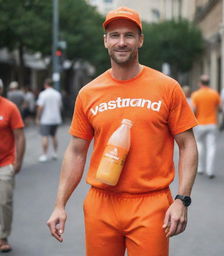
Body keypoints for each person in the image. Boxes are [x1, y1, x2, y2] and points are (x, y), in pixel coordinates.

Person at [47, 7, 198, 256]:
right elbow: (76, 152)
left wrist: (183, 199)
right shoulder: (89, 93)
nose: (121, 42)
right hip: (101, 203)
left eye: (129, 35)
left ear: (140, 40)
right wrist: (59, 205)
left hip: (151, 202)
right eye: (114, 35)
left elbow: (187, 145)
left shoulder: (167, 87)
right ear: (105, 41)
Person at [0, 78, 25, 252]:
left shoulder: (9, 107)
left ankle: (2, 236)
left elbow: (20, 136)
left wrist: (18, 161)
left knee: (4, 202)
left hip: (5, 163)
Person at [191, 74, 220, 178]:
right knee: (211, 147)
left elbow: (193, 110)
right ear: (209, 83)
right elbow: (220, 108)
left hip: (200, 124)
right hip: (212, 123)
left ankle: (200, 168)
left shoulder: (196, 95)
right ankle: (210, 170)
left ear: (200, 83)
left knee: (199, 145)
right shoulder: (214, 93)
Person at [36, 78, 62, 162]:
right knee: (54, 136)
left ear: (45, 85)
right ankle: (55, 153)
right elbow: (60, 106)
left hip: (46, 119)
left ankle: (44, 155)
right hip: (55, 118)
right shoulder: (57, 94)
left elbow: (40, 107)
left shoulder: (43, 94)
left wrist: (37, 117)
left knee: (45, 136)